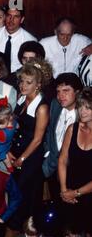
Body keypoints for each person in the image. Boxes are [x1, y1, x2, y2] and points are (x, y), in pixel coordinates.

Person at [8, 60, 51, 230]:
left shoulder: (42, 107)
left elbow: (38, 139)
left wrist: (22, 159)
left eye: (28, 82)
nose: (23, 85)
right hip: (17, 152)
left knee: (27, 192)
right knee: (16, 191)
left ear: (38, 85)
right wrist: (11, 151)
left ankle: (29, 228)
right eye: (21, 81)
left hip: (31, 156)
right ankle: (16, 225)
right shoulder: (21, 99)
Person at [42, 73, 83, 201]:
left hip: (74, 171)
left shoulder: (84, 115)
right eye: (58, 91)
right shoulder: (55, 105)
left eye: (66, 91)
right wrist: (47, 153)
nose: (61, 96)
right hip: (51, 167)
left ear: (77, 92)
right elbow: (49, 131)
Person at [58, 87, 92, 237]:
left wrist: (76, 193)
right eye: (80, 107)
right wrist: (64, 190)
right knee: (67, 234)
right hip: (69, 192)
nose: (82, 111)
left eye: (88, 107)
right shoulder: (73, 129)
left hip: (88, 194)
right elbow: (63, 160)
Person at [0, 5, 37, 73]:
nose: (11, 20)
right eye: (9, 15)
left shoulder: (30, 41)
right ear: (5, 17)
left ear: (21, 20)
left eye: (16, 17)